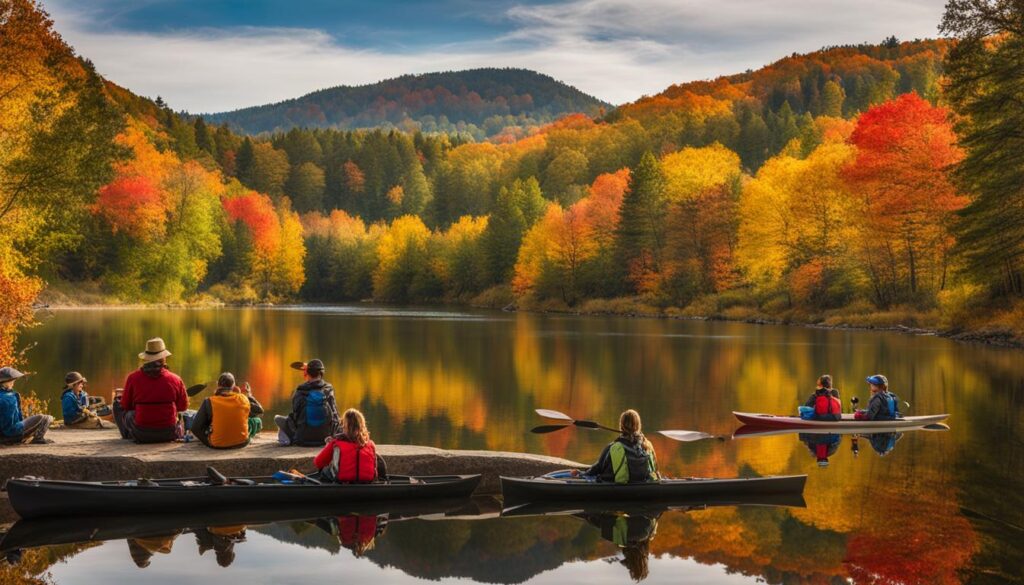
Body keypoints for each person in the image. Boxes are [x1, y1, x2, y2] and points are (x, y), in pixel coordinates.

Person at [115, 338, 189, 443]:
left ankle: (127, 435)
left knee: (120, 407)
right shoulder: (176, 379)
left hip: (141, 434)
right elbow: (183, 407)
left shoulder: (133, 378)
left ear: (146, 358)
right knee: (179, 416)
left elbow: (126, 405)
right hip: (169, 434)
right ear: (164, 358)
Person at [576, 410, 659, 483]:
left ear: (621, 426)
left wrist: (580, 474)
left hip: (613, 486)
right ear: (638, 426)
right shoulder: (647, 446)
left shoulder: (613, 447)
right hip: (643, 483)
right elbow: (654, 470)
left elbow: (597, 469)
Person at [275, 359, 340, 446]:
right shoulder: (329, 389)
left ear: (306, 373)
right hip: (325, 438)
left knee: (278, 418)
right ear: (322, 373)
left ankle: (286, 441)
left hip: (302, 439)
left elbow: (296, 415)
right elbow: (335, 414)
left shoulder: (300, 391)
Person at [189, 373, 264, 449]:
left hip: (217, 444)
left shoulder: (209, 401)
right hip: (241, 443)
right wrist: (249, 395)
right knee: (257, 421)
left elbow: (195, 428)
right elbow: (259, 410)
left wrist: (208, 442)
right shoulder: (243, 398)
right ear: (234, 386)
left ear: (218, 385)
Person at [314, 408, 387, 482]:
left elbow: (318, 462)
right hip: (367, 481)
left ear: (345, 426)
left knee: (324, 470)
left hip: (343, 481)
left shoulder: (336, 443)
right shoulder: (370, 444)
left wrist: (328, 447)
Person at [0, 367, 53, 444]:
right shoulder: (10, 397)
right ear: (7, 382)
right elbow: (15, 420)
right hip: (12, 433)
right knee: (46, 418)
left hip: (2, 435)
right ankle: (38, 439)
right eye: (12, 381)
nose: (13, 383)